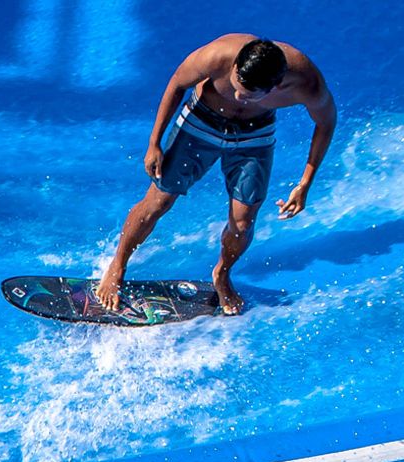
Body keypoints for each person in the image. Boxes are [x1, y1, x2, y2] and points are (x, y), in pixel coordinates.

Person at [95, 34, 336, 316]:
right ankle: (118, 265)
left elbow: (326, 123)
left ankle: (222, 274)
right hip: (200, 121)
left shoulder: (307, 84)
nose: (236, 97)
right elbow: (177, 83)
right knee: (158, 202)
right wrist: (154, 143)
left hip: (254, 136)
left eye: (246, 96)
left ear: (276, 87)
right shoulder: (218, 55)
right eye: (234, 86)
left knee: (243, 223)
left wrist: (305, 182)